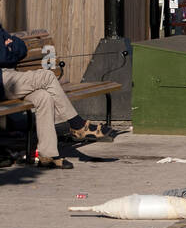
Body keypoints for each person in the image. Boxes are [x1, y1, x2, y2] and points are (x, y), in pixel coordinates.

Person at [1, 21, 109, 169]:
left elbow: (22, 48)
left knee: (43, 96)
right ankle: (77, 125)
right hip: (3, 81)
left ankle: (48, 154)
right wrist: (9, 47)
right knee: (47, 76)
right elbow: (3, 56)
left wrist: (10, 46)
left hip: (11, 77)